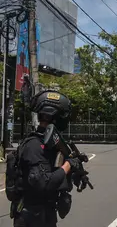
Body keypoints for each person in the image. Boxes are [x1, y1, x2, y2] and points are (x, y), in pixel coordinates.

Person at [10, 90, 83, 227]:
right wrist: (68, 165)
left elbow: (57, 173)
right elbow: (44, 183)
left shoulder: (51, 145)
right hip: (30, 217)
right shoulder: (34, 145)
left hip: (45, 214)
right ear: (54, 116)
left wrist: (76, 173)